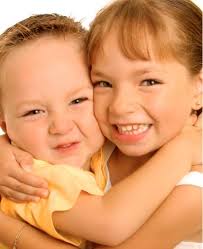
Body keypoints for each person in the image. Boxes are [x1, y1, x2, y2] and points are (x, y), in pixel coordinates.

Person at [0, 0, 202, 248]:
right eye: (103, 83)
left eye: (149, 82)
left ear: (199, 86)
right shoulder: (93, 145)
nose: (120, 106)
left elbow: (110, 225)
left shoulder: (194, 190)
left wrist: (6, 227)